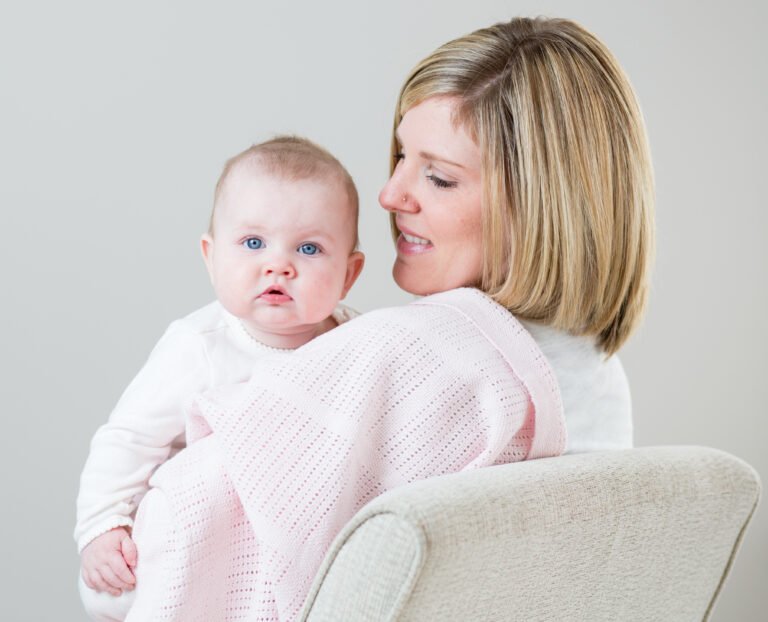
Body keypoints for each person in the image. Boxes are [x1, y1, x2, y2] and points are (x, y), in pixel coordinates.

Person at [104, 15, 654, 622]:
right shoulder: (601, 380)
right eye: (399, 156)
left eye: (438, 177)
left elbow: (153, 568)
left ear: (537, 204)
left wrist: (107, 542)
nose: (390, 195)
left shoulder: (398, 354)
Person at [75, 136, 366, 620]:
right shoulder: (200, 346)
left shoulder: (356, 342)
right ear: (211, 257)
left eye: (309, 248)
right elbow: (128, 439)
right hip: (202, 537)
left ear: (348, 275)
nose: (278, 265)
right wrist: (103, 527)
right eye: (253, 243)